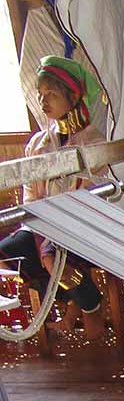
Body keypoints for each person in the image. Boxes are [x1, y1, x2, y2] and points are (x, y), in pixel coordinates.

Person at [1, 56, 109, 340]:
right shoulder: (38, 145)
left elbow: (91, 196)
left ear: (73, 96)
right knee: (9, 253)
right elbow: (31, 194)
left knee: (54, 258)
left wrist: (54, 230)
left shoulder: (93, 143)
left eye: (52, 94)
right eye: (41, 95)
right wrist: (39, 226)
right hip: (42, 224)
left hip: (81, 226)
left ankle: (89, 308)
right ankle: (78, 298)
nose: (44, 101)